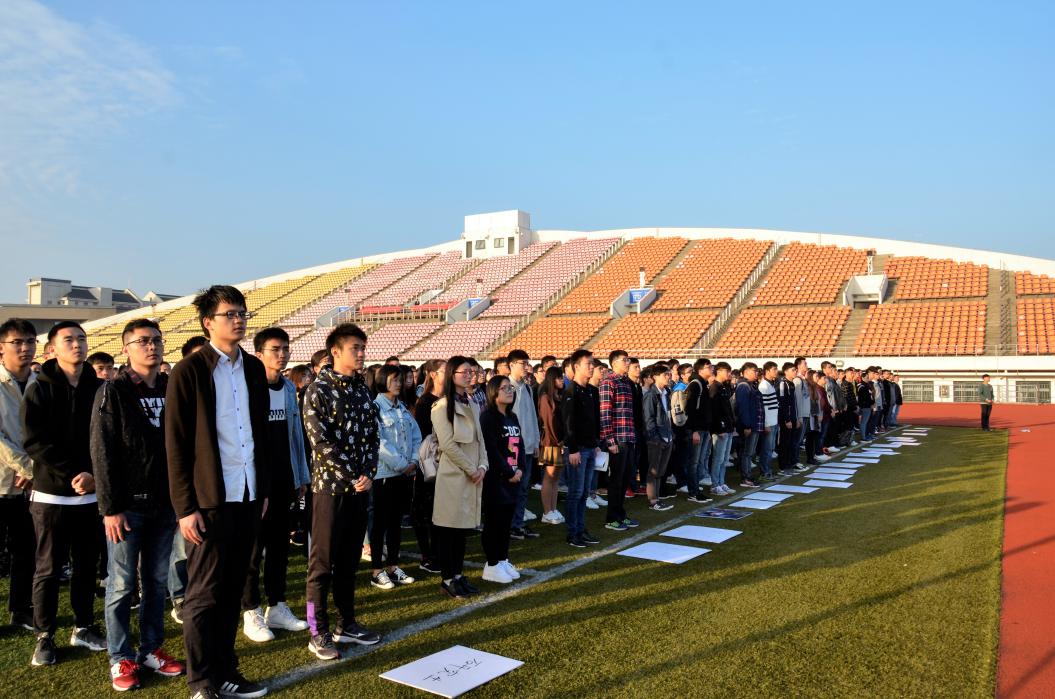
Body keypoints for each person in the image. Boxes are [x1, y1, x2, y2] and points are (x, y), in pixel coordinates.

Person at [165, 285, 273, 698]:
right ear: (208, 322)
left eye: (243, 312)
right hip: (208, 500)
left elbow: (260, 433)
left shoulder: (252, 368)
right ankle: (201, 680)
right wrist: (185, 507)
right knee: (204, 595)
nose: (239, 320)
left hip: (248, 494)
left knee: (233, 591)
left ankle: (227, 670)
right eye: (230, 314)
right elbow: (176, 444)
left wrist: (262, 488)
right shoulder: (189, 371)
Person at [90, 318, 185, 691]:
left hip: (165, 504)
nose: (151, 346)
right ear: (125, 348)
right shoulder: (112, 391)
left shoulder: (171, 386)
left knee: (157, 582)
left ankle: (150, 649)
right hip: (127, 507)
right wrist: (110, 508)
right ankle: (120, 657)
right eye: (143, 340)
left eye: (156, 340)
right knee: (121, 584)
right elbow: (102, 451)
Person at [22, 320, 105, 667]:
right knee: (48, 568)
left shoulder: (100, 388)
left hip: (91, 494)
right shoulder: (39, 387)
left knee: (86, 566)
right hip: (51, 496)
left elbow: (107, 436)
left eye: (82, 339)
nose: (77, 344)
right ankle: (45, 635)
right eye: (69, 339)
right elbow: (35, 442)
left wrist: (93, 475)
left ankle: (83, 626)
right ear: (53, 348)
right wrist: (74, 473)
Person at [302, 323, 381, 662]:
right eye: (355, 348)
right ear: (335, 351)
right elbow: (320, 442)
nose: (361, 354)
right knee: (322, 564)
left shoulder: (361, 389)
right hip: (329, 490)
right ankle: (316, 630)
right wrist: (353, 475)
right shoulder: (317, 390)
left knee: (349, 561)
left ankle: (346, 622)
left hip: (359, 489)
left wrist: (368, 473)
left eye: (363, 348)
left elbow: (373, 436)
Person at [241, 328, 311, 643]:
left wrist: (300, 476)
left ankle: (277, 605)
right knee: (252, 550)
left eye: (285, 348)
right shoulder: (247, 386)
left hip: (284, 479)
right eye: (274, 349)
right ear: (259, 354)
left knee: (279, 547)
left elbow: (295, 436)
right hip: (255, 483)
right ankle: (250, 610)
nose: (282, 355)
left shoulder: (288, 387)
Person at [431, 356, 487, 599]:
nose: (469, 375)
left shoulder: (472, 403)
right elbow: (448, 445)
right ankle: (447, 579)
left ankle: (457, 574)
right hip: (453, 476)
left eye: (470, 372)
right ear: (452, 375)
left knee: (462, 529)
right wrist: (472, 469)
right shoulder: (442, 406)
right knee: (449, 530)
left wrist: (483, 466)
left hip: (472, 475)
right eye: (464, 372)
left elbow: (480, 440)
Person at [0, 319, 38, 632]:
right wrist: (28, 467)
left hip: (32, 484)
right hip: (3, 480)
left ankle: (21, 608)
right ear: (1, 348)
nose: (25, 348)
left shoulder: (42, 383)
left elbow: (50, 432)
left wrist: (36, 469)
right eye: (17, 342)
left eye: (30, 341)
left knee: (27, 549)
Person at [369, 365, 421, 591]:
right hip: (384, 474)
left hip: (403, 474)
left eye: (400, 379)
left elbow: (416, 436)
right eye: (394, 379)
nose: (399, 383)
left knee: (395, 522)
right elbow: (378, 442)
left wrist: (414, 461)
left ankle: (392, 566)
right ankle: (376, 570)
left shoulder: (402, 408)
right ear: (383, 381)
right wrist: (402, 464)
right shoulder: (375, 408)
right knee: (380, 523)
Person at [479, 376, 524, 584]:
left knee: (506, 523)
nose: (509, 391)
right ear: (493, 392)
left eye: (510, 387)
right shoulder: (488, 417)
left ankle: (503, 559)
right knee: (494, 522)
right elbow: (491, 450)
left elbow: (519, 445)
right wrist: (508, 472)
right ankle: (492, 564)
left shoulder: (512, 417)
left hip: (513, 477)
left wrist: (520, 469)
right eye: (504, 388)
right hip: (496, 479)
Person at [561, 350, 602, 548]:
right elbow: (568, 423)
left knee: (584, 492)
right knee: (576, 492)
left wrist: (595, 443)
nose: (592, 367)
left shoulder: (592, 391)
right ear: (576, 366)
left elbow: (594, 419)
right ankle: (573, 532)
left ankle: (580, 528)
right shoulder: (571, 391)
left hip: (590, 447)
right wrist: (573, 449)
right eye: (588, 363)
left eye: (593, 363)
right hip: (578, 449)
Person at [598, 350, 638, 532]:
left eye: (628, 360)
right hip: (617, 439)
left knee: (625, 479)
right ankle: (612, 518)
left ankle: (621, 514)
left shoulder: (627, 383)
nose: (627, 363)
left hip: (629, 437)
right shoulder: (608, 382)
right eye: (624, 360)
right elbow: (605, 413)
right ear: (614, 363)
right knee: (616, 480)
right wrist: (610, 440)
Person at [412, 359, 446, 574]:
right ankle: (427, 554)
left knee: (441, 510)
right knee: (425, 510)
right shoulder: (426, 402)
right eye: (444, 370)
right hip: (430, 463)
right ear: (433, 374)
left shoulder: (449, 399)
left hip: (447, 462)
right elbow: (424, 436)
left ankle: (439, 551)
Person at [505, 350, 540, 540]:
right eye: (522, 363)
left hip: (527, 445)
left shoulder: (527, 388)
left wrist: (536, 441)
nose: (526, 367)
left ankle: (518, 524)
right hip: (512, 446)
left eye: (527, 363)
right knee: (512, 487)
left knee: (524, 488)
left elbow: (533, 416)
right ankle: (511, 525)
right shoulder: (506, 387)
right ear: (511, 365)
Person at [642, 365, 674, 511]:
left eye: (668, 374)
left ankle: (657, 498)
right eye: (665, 374)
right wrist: (656, 439)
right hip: (657, 439)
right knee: (653, 470)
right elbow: (648, 419)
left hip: (667, 436)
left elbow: (668, 416)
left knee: (660, 471)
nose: (668, 377)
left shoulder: (666, 393)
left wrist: (670, 435)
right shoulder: (650, 395)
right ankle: (653, 500)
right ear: (655, 377)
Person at [537, 367, 566, 525]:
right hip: (550, 442)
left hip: (558, 442)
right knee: (549, 477)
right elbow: (549, 423)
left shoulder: (557, 396)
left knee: (556, 478)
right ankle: (547, 511)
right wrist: (558, 441)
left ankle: (553, 509)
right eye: (559, 377)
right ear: (552, 379)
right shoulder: (545, 397)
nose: (562, 380)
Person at [684, 359, 714, 504]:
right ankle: (693, 492)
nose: (712, 369)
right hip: (696, 429)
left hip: (703, 429)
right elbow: (690, 409)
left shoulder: (703, 384)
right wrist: (694, 430)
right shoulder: (695, 384)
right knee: (694, 462)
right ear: (700, 370)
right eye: (709, 367)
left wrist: (707, 430)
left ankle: (696, 489)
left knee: (698, 461)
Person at [708, 362, 736, 495]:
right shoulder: (714, 387)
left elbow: (727, 409)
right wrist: (720, 429)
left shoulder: (723, 387)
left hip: (728, 427)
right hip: (721, 429)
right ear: (719, 371)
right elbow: (714, 411)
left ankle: (721, 482)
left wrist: (732, 425)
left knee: (724, 459)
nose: (729, 374)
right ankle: (715, 484)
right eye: (727, 371)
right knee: (718, 458)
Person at [734, 362, 763, 489]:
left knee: (749, 453)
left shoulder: (750, 385)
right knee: (746, 452)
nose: (756, 373)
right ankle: (746, 478)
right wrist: (746, 426)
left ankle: (748, 476)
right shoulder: (743, 386)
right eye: (754, 371)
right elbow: (743, 408)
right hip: (749, 425)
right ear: (746, 372)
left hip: (754, 424)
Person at [777, 362, 802, 476]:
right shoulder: (783, 384)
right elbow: (782, 403)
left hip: (792, 417)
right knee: (784, 443)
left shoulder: (792, 384)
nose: (795, 371)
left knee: (791, 442)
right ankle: (783, 467)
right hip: (786, 419)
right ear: (786, 371)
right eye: (793, 370)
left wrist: (796, 418)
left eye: (796, 370)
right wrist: (787, 420)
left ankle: (790, 464)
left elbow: (793, 404)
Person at [757, 361, 780, 482]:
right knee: (766, 449)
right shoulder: (764, 385)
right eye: (774, 369)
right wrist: (765, 424)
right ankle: (765, 472)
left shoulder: (770, 384)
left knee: (770, 449)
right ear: (767, 371)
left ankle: (768, 471)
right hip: (769, 423)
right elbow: (763, 407)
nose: (776, 371)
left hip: (773, 421)